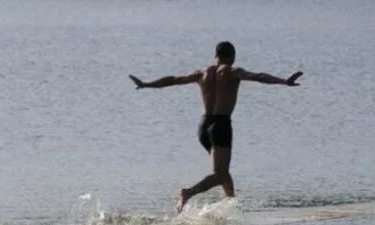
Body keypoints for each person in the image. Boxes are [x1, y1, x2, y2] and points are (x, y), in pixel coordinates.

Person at [129, 41, 303, 212]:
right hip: (220, 125)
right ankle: (188, 193)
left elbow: (173, 80)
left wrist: (146, 84)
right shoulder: (232, 71)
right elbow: (259, 77)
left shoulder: (201, 73)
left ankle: (233, 205)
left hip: (203, 127)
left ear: (215, 56)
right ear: (232, 57)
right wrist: (284, 81)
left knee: (223, 172)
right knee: (220, 174)